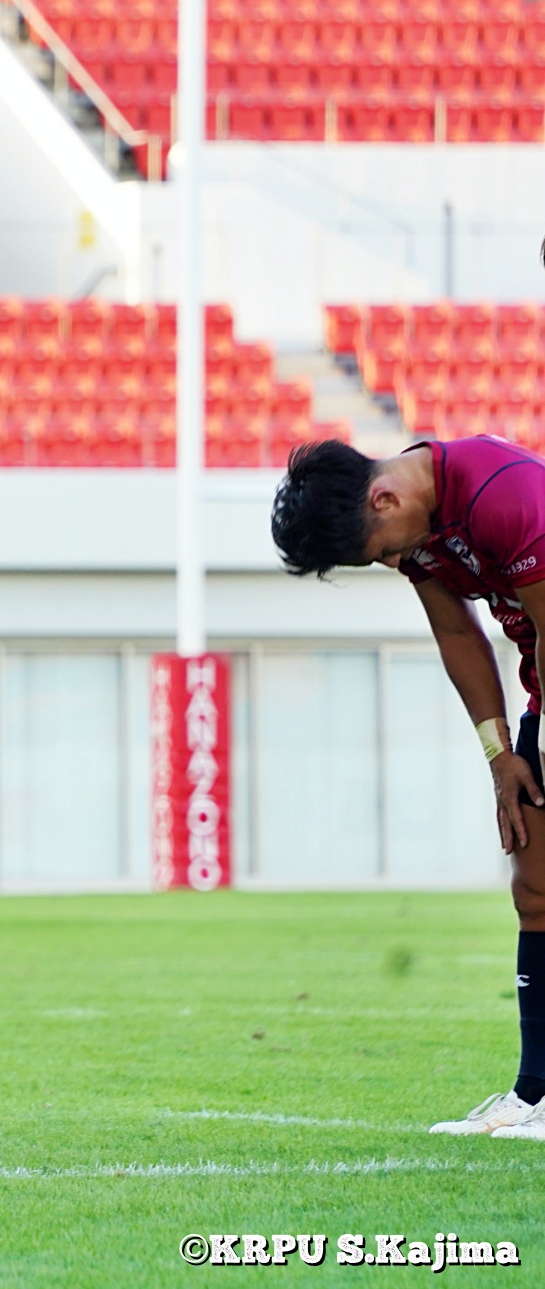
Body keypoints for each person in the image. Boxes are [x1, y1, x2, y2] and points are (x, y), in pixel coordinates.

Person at [273, 435, 545, 1139]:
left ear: (385, 499)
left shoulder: (504, 494)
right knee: (535, 888)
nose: (395, 564)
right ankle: (535, 1092)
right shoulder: (418, 533)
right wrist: (501, 755)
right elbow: (458, 634)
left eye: (381, 553)